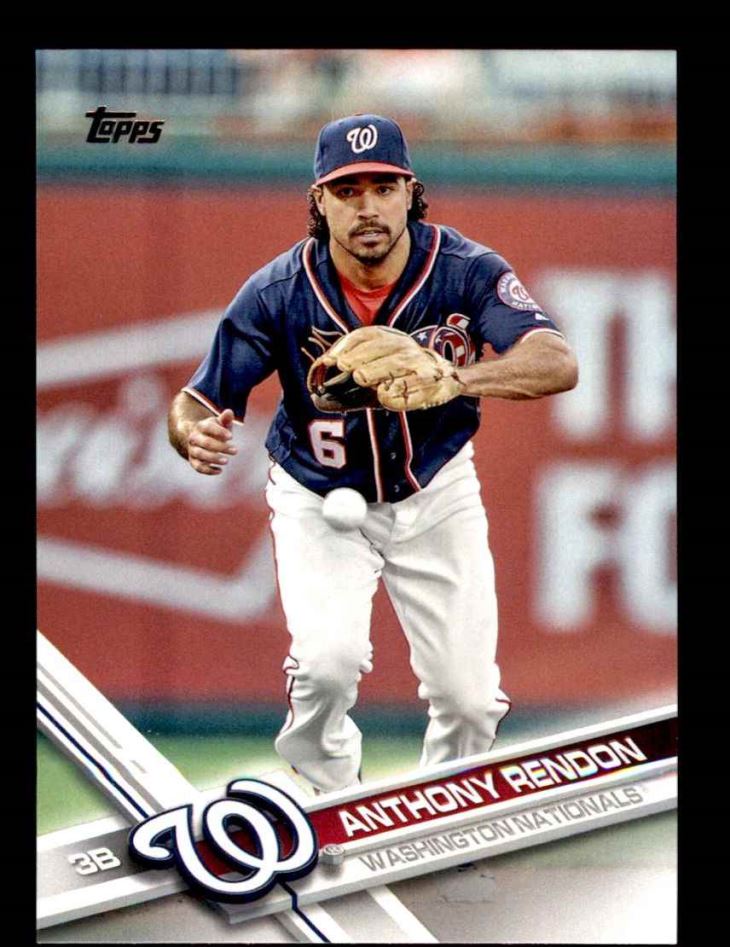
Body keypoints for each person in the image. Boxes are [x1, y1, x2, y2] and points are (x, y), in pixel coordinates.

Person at [168, 114, 578, 794]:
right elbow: (196, 400)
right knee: (326, 666)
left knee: (469, 699)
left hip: (434, 490)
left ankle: (446, 812)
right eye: (347, 190)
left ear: (410, 193)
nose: (367, 207)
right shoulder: (280, 290)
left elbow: (556, 362)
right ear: (319, 201)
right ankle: (331, 800)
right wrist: (194, 432)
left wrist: (458, 378)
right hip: (317, 493)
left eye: (383, 188)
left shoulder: (464, 271)